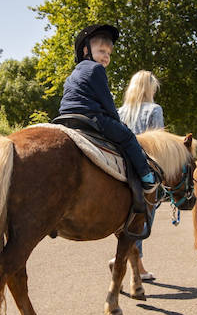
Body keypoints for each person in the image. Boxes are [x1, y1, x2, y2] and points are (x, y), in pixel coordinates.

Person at [59, 24, 157, 192]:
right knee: (127, 137)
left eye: (109, 54)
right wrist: (118, 122)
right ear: (86, 51)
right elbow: (107, 103)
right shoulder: (96, 69)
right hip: (90, 117)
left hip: (66, 117)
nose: (106, 57)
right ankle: (146, 175)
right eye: (102, 51)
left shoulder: (72, 74)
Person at [115, 70, 164, 281]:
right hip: (144, 167)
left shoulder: (120, 110)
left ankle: (126, 257)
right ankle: (136, 264)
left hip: (120, 168)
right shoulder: (155, 109)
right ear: (149, 88)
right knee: (142, 216)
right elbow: (159, 142)